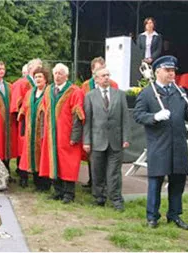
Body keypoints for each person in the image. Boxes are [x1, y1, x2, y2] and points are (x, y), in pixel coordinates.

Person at [133, 55, 188, 229]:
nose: (172, 73)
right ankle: (152, 216)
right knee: (155, 182)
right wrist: (154, 117)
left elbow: (184, 114)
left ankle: (175, 215)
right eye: (168, 70)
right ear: (157, 72)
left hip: (178, 144)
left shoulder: (179, 91)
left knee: (178, 182)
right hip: (159, 144)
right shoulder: (148, 93)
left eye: (173, 71)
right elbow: (138, 115)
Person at [83, 67, 130, 211]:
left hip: (116, 140)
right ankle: (99, 197)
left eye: (108, 75)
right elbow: (88, 121)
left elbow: (125, 118)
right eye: (103, 75)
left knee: (114, 172)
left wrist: (126, 138)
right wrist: (86, 141)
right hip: (97, 140)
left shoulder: (119, 95)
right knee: (97, 171)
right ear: (96, 78)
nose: (106, 78)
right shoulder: (90, 96)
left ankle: (116, 199)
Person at [39, 63, 84, 204]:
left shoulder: (74, 91)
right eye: (56, 73)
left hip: (67, 134)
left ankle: (69, 194)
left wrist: (75, 136)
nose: (57, 76)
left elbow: (78, 115)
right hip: (51, 135)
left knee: (68, 164)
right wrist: (42, 133)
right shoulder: (49, 90)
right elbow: (43, 112)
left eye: (60, 73)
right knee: (54, 162)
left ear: (66, 75)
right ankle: (57, 191)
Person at [80, 56, 119, 188]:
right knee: (93, 156)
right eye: (98, 69)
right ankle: (93, 181)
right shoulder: (86, 86)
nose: (102, 72)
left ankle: (108, 184)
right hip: (93, 124)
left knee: (109, 157)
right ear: (92, 71)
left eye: (103, 68)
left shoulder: (113, 84)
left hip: (108, 125)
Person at [17, 66, 51, 190]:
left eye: (40, 77)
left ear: (46, 79)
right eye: (36, 77)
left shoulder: (49, 92)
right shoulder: (30, 93)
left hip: (44, 131)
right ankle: (37, 182)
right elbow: (24, 109)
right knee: (32, 155)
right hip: (31, 130)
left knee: (43, 156)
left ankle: (45, 183)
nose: (37, 79)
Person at [11, 58, 43, 172]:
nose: (40, 67)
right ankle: (22, 173)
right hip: (25, 121)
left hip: (39, 122)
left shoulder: (42, 84)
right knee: (24, 147)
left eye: (41, 65)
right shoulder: (22, 83)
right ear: (30, 69)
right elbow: (16, 104)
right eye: (37, 66)